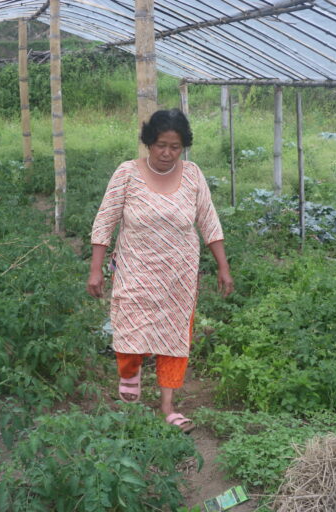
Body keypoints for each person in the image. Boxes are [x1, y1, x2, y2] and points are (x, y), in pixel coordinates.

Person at [87, 109, 233, 433]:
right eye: (161, 145)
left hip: (179, 275)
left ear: (183, 147)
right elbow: (105, 221)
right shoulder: (127, 173)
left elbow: (209, 222)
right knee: (129, 330)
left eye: (175, 147)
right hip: (135, 269)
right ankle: (130, 376)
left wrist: (223, 267)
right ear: (149, 143)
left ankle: (167, 407)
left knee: (175, 337)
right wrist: (96, 269)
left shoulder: (193, 175)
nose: (167, 153)